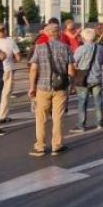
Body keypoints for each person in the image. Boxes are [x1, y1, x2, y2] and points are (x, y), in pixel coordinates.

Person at [27, 23, 73, 156]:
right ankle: (56, 145)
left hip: (43, 87)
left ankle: (40, 146)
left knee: (41, 117)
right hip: (61, 87)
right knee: (58, 117)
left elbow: (34, 69)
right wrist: (72, 85)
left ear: (46, 33)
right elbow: (71, 70)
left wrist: (32, 87)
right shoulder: (66, 48)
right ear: (59, 33)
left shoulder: (39, 48)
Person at [70, 28, 103, 132]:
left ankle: (81, 125)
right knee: (98, 101)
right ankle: (100, 123)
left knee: (82, 102)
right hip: (96, 78)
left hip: (83, 79)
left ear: (83, 37)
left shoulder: (80, 49)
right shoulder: (100, 48)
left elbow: (74, 62)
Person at [0, 25, 21, 124]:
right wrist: (11, 59)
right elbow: (18, 58)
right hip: (8, 69)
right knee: (5, 93)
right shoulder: (10, 41)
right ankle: (2, 115)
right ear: (5, 31)